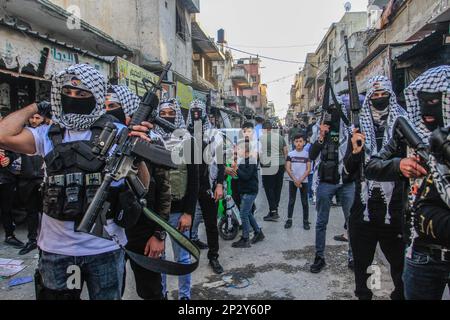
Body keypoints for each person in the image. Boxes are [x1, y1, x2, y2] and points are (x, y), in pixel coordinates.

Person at [0, 64, 150, 300]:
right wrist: (37, 106)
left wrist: (138, 157)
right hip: (56, 250)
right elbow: (3, 135)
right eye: (67, 92)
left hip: (105, 247)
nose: (73, 98)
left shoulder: (120, 133)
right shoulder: (48, 134)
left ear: (96, 96)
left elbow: (143, 185)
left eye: (81, 94)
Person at [365, 66, 450, 300]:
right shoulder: (409, 134)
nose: (426, 110)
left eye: (434, 101)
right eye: (422, 101)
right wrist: (399, 165)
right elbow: (372, 166)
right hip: (420, 252)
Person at [104, 85, 169, 300]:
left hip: (144, 229)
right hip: (111, 233)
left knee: (151, 292)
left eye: (113, 106)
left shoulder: (152, 141)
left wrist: (159, 234)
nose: (108, 111)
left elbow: (164, 193)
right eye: (104, 107)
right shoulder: (104, 140)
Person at [345, 76, 406, 300]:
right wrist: (354, 151)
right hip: (365, 209)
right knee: (364, 267)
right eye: (375, 96)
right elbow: (347, 172)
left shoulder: (403, 127)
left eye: (384, 95)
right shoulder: (358, 128)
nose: (380, 99)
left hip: (396, 208)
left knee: (400, 269)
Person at [154, 99, 200, 301]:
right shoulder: (153, 139)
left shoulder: (188, 141)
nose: (166, 117)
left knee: (182, 258)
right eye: (162, 113)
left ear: (177, 115)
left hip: (179, 213)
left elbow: (194, 180)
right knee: (159, 260)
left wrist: (188, 213)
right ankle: (161, 294)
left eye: (170, 113)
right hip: (157, 214)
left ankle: (184, 298)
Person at [309, 95, 357, 274]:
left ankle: (353, 257)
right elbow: (312, 155)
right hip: (326, 183)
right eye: (330, 111)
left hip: (347, 182)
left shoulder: (350, 131)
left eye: (336, 110)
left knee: (352, 222)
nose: (333, 114)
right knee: (321, 222)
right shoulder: (319, 130)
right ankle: (319, 257)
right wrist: (321, 135)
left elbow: (357, 156)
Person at [187, 99, 225, 275]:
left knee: (210, 224)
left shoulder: (214, 134)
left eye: (198, 111)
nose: (196, 114)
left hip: (208, 185)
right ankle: (185, 256)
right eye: (193, 111)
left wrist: (219, 184)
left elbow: (221, 161)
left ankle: (213, 256)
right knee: (185, 222)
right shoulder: (183, 133)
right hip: (189, 186)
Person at [16, 111, 47, 255]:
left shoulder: (47, 134)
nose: (34, 120)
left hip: (42, 178)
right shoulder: (23, 134)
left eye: (37, 117)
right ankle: (31, 240)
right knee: (31, 212)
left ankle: (45, 241)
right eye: (32, 117)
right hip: (27, 179)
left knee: (46, 212)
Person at [231, 139, 265, 249]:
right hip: (245, 191)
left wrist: (236, 169)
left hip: (249, 192)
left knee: (243, 214)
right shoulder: (243, 160)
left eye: (239, 148)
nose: (238, 150)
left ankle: (245, 239)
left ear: (245, 150)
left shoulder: (251, 161)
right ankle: (258, 232)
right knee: (248, 213)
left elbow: (246, 176)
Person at [0, 114, 22, 248]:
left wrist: (9, 158)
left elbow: (16, 152)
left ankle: (9, 235)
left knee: (7, 209)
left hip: (6, 178)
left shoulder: (7, 134)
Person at [260, 121, 288, 222]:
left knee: (268, 188)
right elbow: (285, 151)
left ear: (264, 129)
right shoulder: (280, 137)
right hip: (280, 164)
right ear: (271, 128)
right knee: (277, 187)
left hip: (268, 165)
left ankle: (273, 210)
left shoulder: (262, 138)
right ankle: (274, 209)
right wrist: (285, 164)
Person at [285, 134, 311, 230]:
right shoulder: (290, 154)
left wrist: (300, 180)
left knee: (304, 202)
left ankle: (305, 221)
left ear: (304, 142)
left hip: (304, 181)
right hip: (293, 181)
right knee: (291, 201)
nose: (299, 143)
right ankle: (289, 219)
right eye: (297, 141)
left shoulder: (307, 154)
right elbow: (287, 167)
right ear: (294, 143)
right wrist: (295, 179)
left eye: (300, 141)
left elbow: (308, 169)